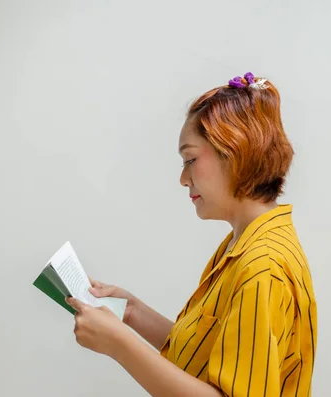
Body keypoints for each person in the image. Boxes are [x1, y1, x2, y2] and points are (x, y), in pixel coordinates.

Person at [66, 72, 317, 397]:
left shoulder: (262, 266)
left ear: (236, 152)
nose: (184, 179)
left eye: (190, 160)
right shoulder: (245, 244)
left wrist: (119, 345)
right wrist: (132, 313)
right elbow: (212, 355)